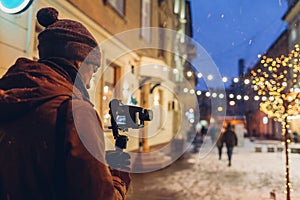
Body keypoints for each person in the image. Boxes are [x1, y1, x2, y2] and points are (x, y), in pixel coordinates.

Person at [0, 7, 130, 199]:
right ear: (79, 63)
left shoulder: (11, 96)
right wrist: (118, 181)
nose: (88, 82)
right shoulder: (75, 113)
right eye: (91, 72)